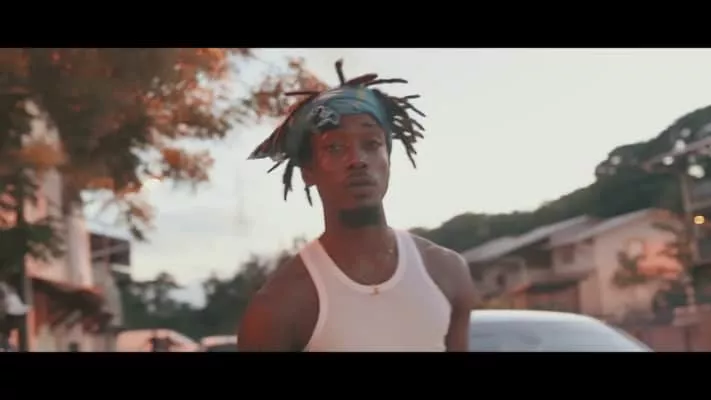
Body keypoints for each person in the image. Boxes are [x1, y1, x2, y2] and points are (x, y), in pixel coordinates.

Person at [238, 60, 478, 352]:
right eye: (335, 147)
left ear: (388, 156)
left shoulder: (447, 272)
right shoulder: (279, 306)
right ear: (308, 172)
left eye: (371, 144)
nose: (357, 160)